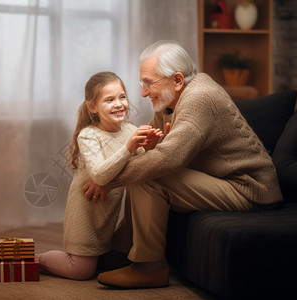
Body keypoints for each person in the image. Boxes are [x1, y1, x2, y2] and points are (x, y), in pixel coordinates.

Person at [82, 40, 282, 288]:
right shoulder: (169, 99)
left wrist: (107, 180)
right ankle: (122, 252)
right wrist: (147, 148)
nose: (143, 93)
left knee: (150, 174)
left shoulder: (200, 98)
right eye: (142, 83)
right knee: (144, 166)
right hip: (224, 180)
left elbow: (166, 159)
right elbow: (150, 146)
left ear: (177, 80)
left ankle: (149, 267)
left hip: (249, 190)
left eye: (148, 83)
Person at [39, 71, 163, 280]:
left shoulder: (130, 130)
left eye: (122, 97)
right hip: (86, 213)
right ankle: (37, 259)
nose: (119, 104)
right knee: (81, 271)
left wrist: (150, 148)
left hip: (108, 214)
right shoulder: (88, 136)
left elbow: (141, 168)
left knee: (116, 260)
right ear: (92, 107)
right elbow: (100, 176)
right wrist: (130, 147)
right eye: (109, 100)